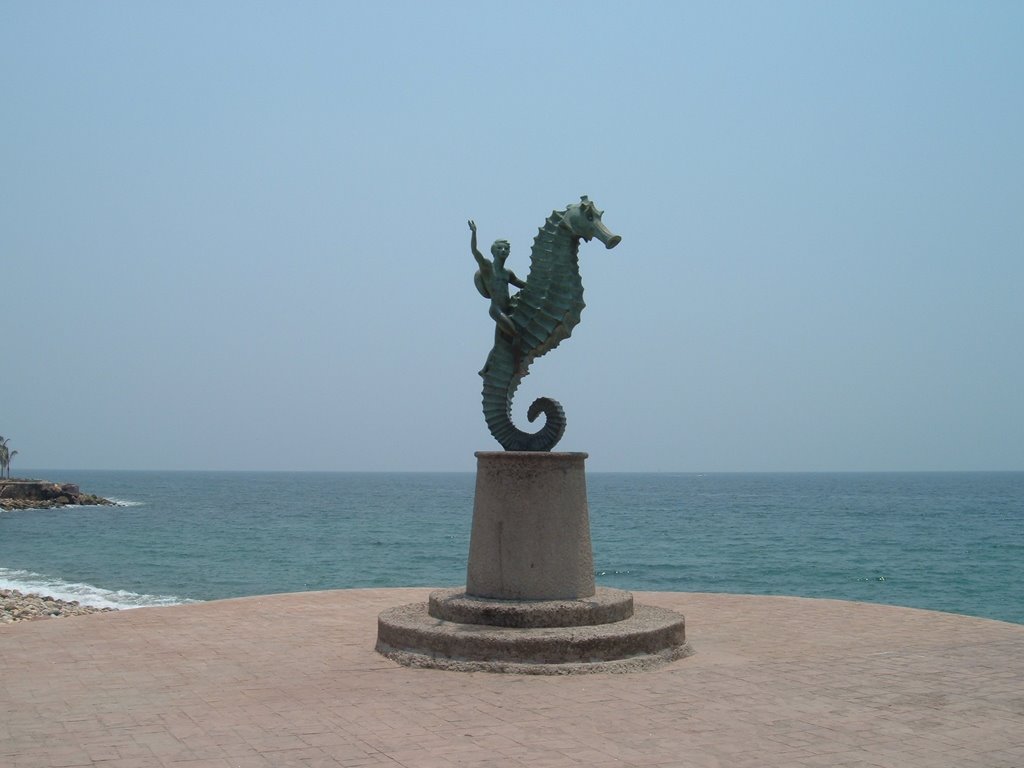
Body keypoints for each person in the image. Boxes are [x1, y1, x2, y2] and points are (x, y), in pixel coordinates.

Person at [468, 220, 526, 340]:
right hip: (496, 310)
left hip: (508, 309)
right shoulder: (488, 268)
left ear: (509, 252)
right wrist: (474, 233)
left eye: (506, 248)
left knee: (501, 344)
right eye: (500, 248)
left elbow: (523, 285)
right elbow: (475, 252)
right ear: (494, 251)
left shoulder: (507, 273)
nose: (503, 250)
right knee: (516, 336)